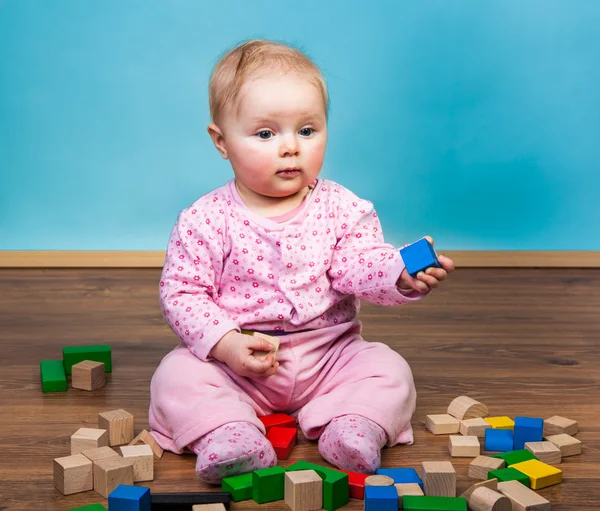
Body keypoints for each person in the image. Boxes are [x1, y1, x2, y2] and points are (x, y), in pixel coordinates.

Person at [148, 39, 455, 484]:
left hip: (329, 353)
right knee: (174, 377)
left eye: (307, 130)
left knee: (389, 369)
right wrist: (225, 344)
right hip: (237, 361)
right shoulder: (204, 219)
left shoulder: (343, 207)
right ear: (222, 141)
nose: (290, 147)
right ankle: (229, 433)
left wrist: (400, 274)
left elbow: (359, 263)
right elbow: (182, 293)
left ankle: (352, 426)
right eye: (266, 134)